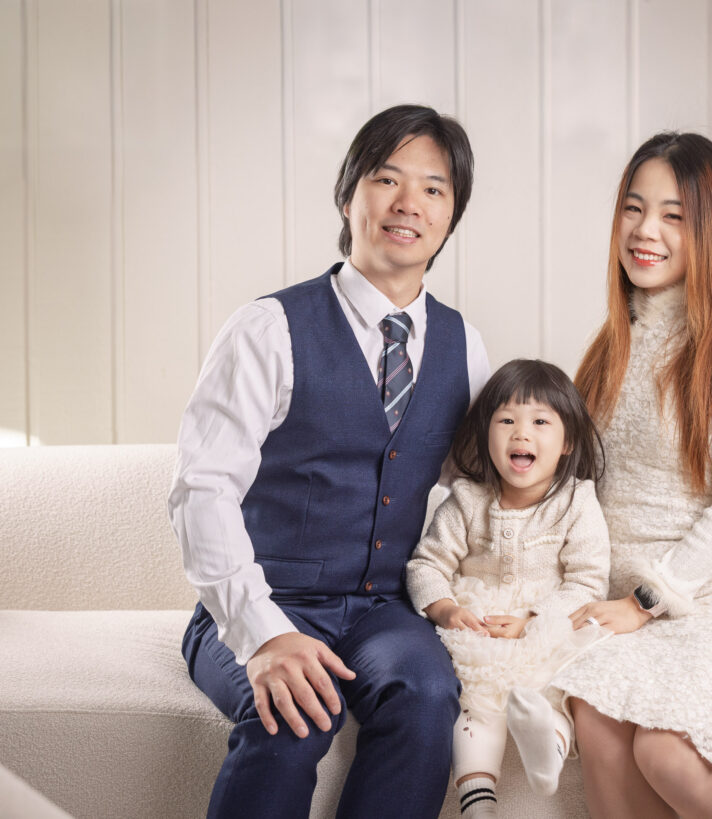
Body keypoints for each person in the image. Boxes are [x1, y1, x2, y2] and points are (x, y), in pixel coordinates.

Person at [168, 104, 490, 818]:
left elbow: (482, 492)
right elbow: (201, 490)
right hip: (263, 596)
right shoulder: (267, 328)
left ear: (451, 215)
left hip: (384, 610)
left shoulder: (466, 347)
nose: (409, 203)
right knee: (293, 716)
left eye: (434, 188)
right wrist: (264, 632)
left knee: (429, 696)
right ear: (349, 196)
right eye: (387, 179)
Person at [549, 132, 712, 819]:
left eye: (674, 216)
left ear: (710, 230)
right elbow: (578, 489)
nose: (645, 231)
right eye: (634, 209)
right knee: (597, 724)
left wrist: (643, 602)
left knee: (665, 753)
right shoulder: (610, 345)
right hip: (630, 608)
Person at [406, 359, 610, 818]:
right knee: (475, 701)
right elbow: (426, 564)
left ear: (567, 441)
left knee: (554, 684)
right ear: (485, 433)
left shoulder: (577, 500)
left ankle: (547, 749)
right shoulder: (467, 499)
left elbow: (586, 580)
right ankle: (478, 801)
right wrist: (444, 608)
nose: (521, 434)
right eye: (506, 421)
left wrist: (534, 621)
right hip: (479, 626)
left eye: (540, 422)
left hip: (542, 623)